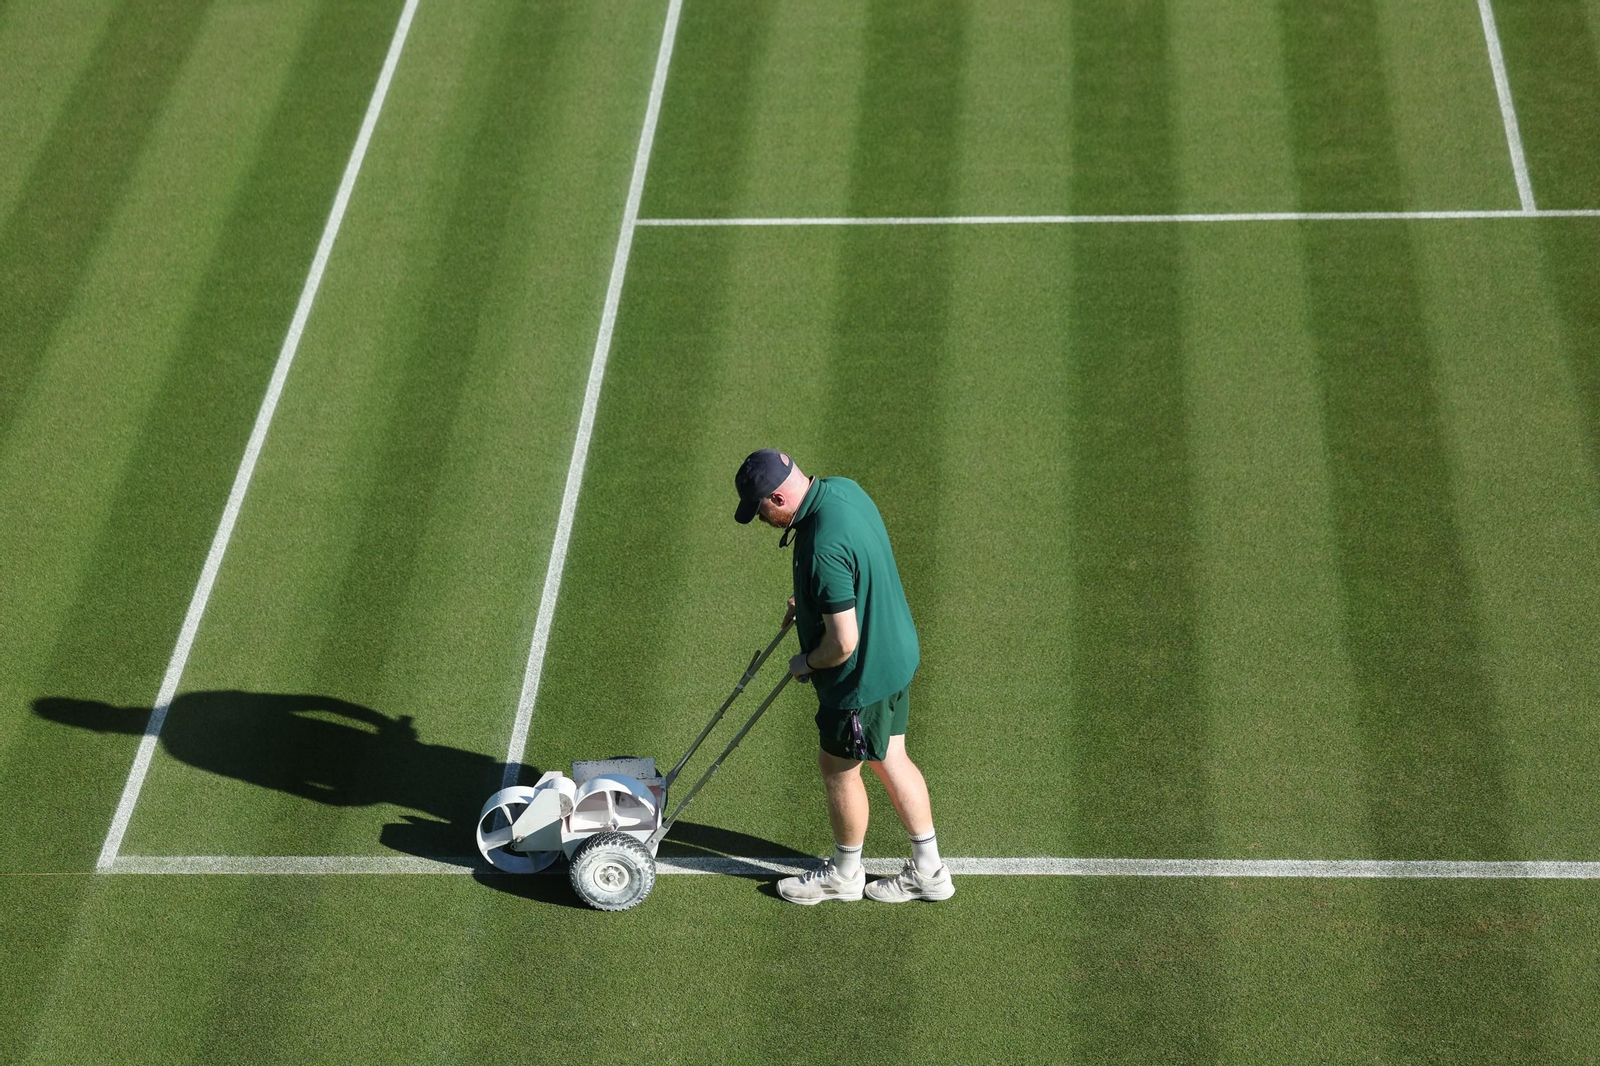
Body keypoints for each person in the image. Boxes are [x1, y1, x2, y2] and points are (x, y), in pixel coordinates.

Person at [733, 448, 954, 904]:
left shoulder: (821, 549)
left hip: (860, 678)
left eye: (760, 511)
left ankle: (845, 873)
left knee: (838, 767)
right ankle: (929, 871)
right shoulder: (843, 490)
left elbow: (843, 643)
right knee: (891, 756)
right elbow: (857, 568)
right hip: (895, 654)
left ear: (778, 497)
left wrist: (806, 663)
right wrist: (811, 601)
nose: (761, 521)